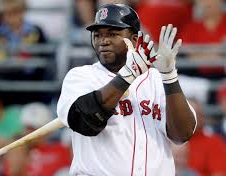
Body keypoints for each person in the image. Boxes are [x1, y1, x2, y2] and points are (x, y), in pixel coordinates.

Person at [57, 3, 197, 175]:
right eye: (98, 35)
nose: (104, 40)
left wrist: (169, 75)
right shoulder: (81, 77)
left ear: (135, 40)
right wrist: (127, 76)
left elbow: (182, 134)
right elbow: (85, 122)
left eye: (113, 34)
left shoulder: (156, 80)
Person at [187, 100, 226, 176]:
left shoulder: (214, 142)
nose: (198, 118)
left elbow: (220, 173)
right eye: (193, 114)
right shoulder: (171, 141)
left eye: (198, 114)